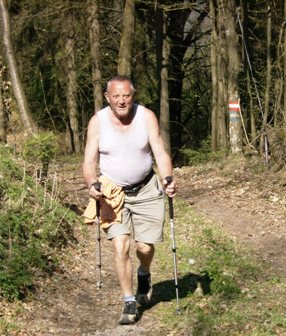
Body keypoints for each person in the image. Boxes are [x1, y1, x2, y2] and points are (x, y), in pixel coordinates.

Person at [83, 75, 176, 325]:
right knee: (120, 246)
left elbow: (159, 150)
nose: (121, 101)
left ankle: (144, 272)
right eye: (116, 96)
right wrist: (92, 183)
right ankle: (128, 300)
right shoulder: (97, 122)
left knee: (144, 247)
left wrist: (168, 177)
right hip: (113, 192)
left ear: (132, 95)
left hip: (146, 189)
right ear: (107, 97)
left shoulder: (146, 117)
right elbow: (89, 161)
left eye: (126, 95)